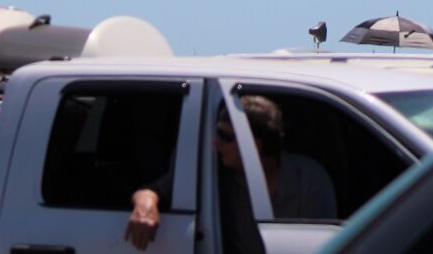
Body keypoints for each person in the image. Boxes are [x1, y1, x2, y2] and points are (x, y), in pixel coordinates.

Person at [125, 94, 337, 251]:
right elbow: (157, 189)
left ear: (254, 146)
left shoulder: (309, 180)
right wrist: (146, 203)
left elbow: (326, 245)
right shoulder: (215, 171)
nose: (215, 142)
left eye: (224, 135)